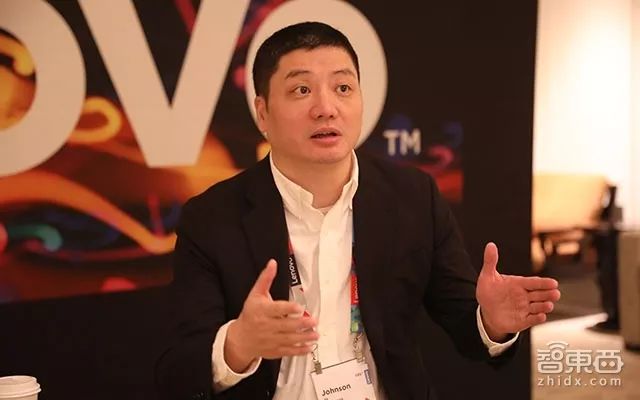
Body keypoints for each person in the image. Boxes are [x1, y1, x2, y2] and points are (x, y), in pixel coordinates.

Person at [155, 21, 561, 400]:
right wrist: (238, 345)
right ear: (263, 113)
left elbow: (463, 323)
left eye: (343, 88)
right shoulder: (212, 218)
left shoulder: (413, 196)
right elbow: (176, 372)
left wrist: (491, 322)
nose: (326, 107)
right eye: (301, 90)